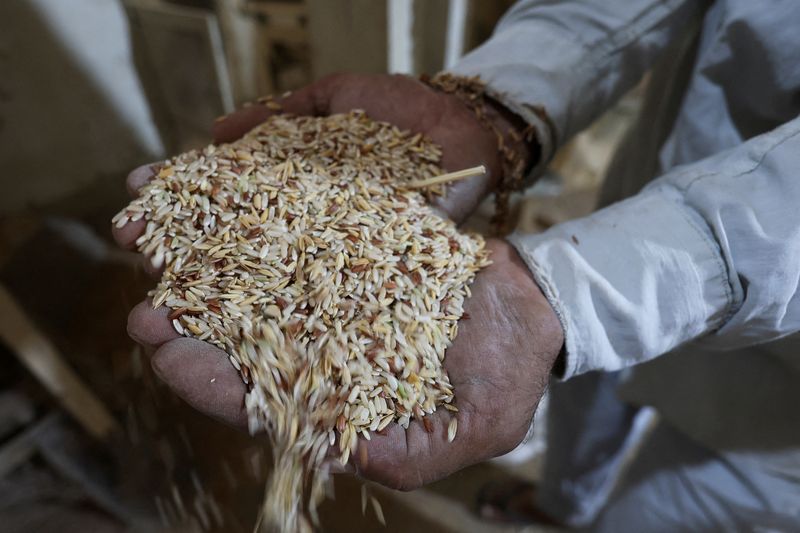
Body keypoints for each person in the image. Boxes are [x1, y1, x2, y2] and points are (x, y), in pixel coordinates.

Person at [114, 0, 800, 530]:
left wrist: (573, 294)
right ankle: (558, 504)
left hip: (784, 390)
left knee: (662, 508)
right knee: (589, 396)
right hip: (676, 160)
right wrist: (498, 101)